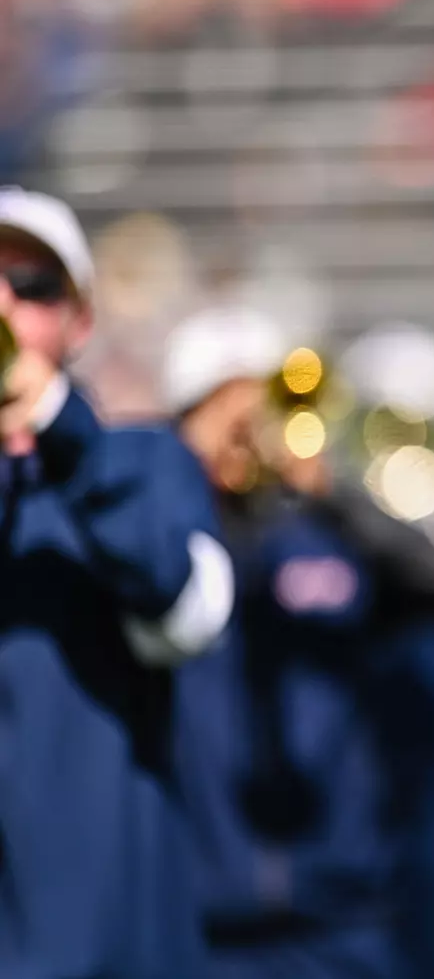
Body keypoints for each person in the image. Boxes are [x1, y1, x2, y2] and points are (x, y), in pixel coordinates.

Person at [163, 307, 434, 979]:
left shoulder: (332, 537)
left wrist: (328, 494)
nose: (247, 424)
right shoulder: (162, 545)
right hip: (198, 927)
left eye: (260, 397)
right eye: (220, 404)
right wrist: (182, 476)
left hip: (347, 920)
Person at [0, 186, 233, 978]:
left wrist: (60, 432)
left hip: (107, 944)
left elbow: (184, 619)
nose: (0, 304)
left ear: (80, 321)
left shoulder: (141, 462)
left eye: (31, 287)